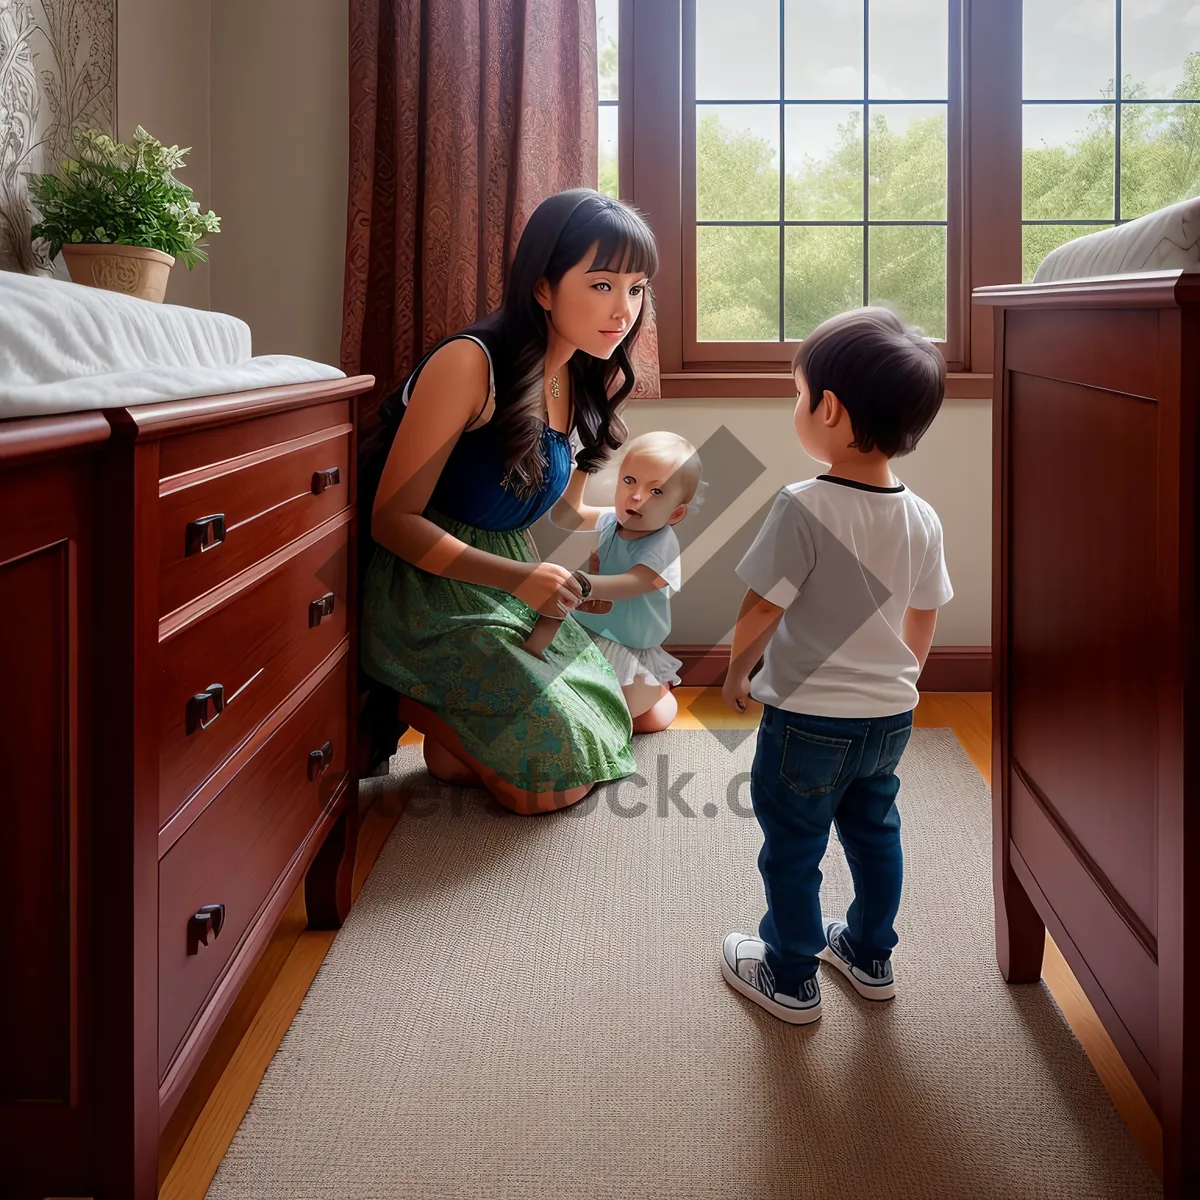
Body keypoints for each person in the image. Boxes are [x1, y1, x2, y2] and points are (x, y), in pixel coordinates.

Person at [360, 189, 658, 815]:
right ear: (544, 287)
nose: (624, 310)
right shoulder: (470, 363)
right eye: (603, 285)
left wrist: (631, 524)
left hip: (503, 577)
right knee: (550, 786)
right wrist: (519, 578)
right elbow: (391, 520)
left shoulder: (580, 373)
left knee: (642, 710)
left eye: (636, 289)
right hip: (424, 584)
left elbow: (563, 507)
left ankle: (456, 740)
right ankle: (408, 697)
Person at [718, 306, 953, 1024]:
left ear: (827, 408)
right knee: (875, 833)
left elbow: (763, 608)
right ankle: (870, 953)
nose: (796, 406)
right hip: (888, 719)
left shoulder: (803, 505)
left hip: (808, 720)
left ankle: (790, 976)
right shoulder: (922, 515)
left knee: (794, 845)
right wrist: (902, 676)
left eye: (797, 394)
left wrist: (736, 673)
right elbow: (925, 611)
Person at [526, 431, 701, 734]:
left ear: (676, 513)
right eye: (629, 481)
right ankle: (526, 667)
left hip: (629, 641)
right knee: (552, 618)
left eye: (656, 492)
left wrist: (584, 583)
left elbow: (637, 581)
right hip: (592, 627)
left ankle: (661, 696)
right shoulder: (611, 520)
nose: (636, 496)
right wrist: (584, 465)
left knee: (637, 720)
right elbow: (567, 516)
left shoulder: (662, 544)